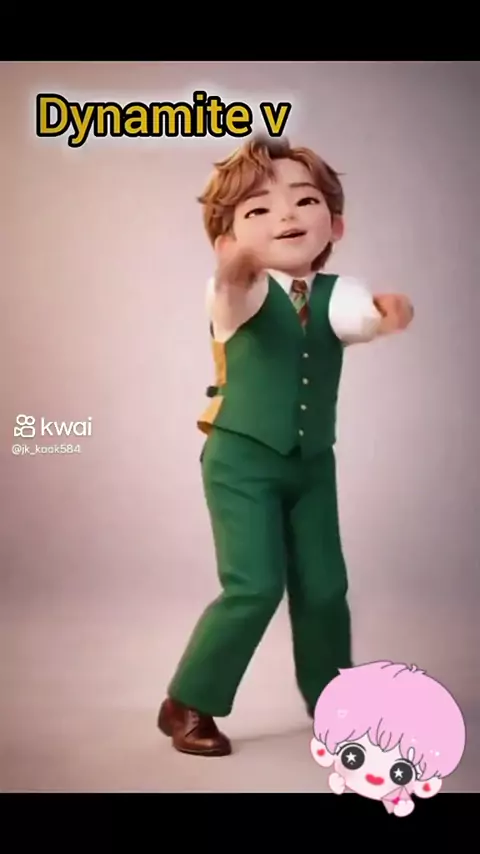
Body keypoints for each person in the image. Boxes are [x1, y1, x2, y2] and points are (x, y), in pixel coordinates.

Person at [158, 136, 414, 756]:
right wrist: (235, 269)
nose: (287, 217)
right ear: (226, 240)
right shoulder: (236, 290)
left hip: (311, 462)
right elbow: (232, 296)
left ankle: (334, 700)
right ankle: (188, 701)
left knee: (325, 585)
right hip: (240, 460)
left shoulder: (336, 293)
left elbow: (357, 317)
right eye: (259, 210)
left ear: (335, 223)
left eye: (304, 201)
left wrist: (387, 314)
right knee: (254, 585)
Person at [310, 661, 466, 816]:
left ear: (427, 785)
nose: (375, 774)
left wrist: (402, 807)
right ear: (321, 751)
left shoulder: (396, 796)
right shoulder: (347, 779)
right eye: (354, 757)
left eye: (402, 772)